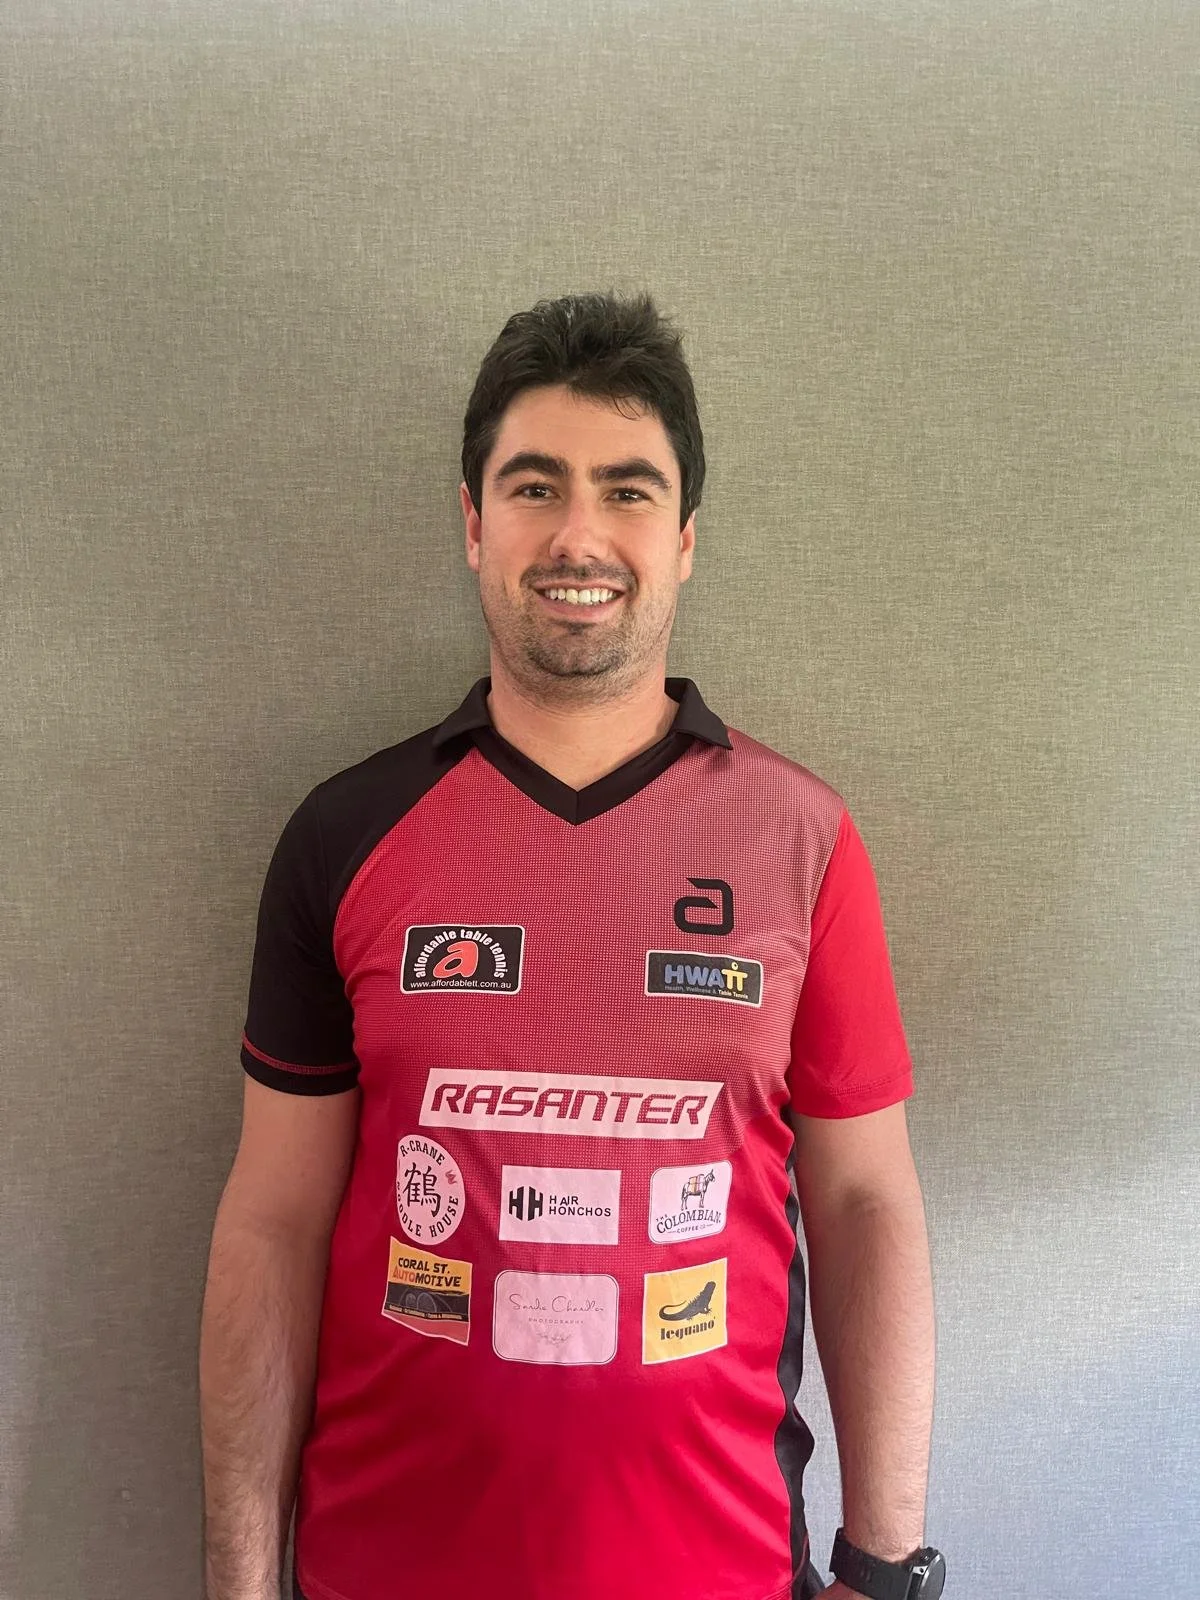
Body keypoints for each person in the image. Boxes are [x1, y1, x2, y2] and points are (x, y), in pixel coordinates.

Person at [199, 291, 944, 1600]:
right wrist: (240, 1578)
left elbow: (866, 1204)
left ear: (688, 538)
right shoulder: (344, 836)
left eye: (629, 490)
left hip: (719, 1573)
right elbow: (271, 1225)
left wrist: (883, 1571)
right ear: (474, 523)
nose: (580, 533)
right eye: (535, 485)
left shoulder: (804, 843)